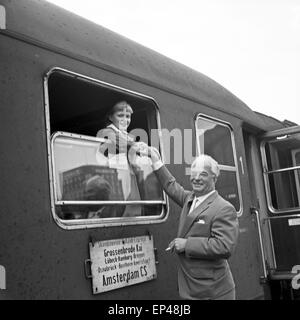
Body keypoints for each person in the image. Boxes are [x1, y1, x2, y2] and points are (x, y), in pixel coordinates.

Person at [148, 149, 239, 300]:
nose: (196, 178)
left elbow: (225, 246)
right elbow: (171, 186)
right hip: (191, 288)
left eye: (203, 174)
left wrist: (186, 244)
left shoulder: (224, 208)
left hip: (213, 292)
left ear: (214, 178)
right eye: (193, 173)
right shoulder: (190, 199)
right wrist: (155, 160)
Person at [96, 101, 145, 216]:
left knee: (133, 210)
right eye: (120, 115)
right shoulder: (107, 131)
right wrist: (136, 146)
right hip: (114, 177)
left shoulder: (129, 136)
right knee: (116, 210)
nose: (125, 120)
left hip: (129, 177)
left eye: (128, 116)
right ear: (110, 117)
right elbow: (118, 141)